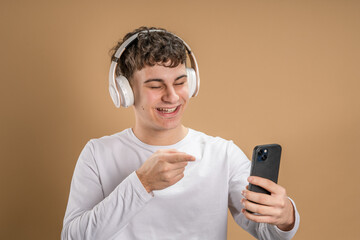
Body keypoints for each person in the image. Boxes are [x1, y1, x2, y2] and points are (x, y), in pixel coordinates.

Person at [61, 26, 300, 240]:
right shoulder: (98, 154)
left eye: (180, 82)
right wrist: (141, 183)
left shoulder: (222, 154)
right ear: (125, 91)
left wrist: (285, 216)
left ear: (192, 83)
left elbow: (270, 235)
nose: (172, 97)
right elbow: (73, 237)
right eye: (155, 86)